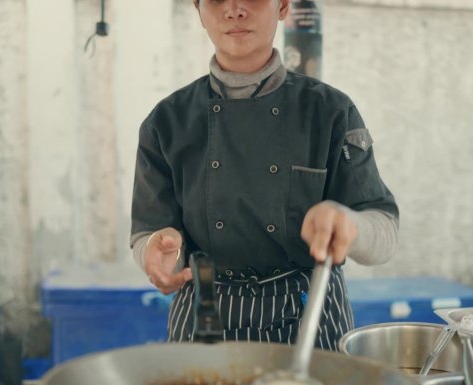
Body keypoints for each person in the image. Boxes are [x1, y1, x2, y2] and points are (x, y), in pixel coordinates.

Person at [130, 0, 399, 351]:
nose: (234, 9)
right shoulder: (167, 121)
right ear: (198, 10)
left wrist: (352, 225)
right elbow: (148, 233)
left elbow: (386, 232)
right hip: (206, 316)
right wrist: (156, 252)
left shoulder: (329, 111)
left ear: (283, 6)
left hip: (308, 317)